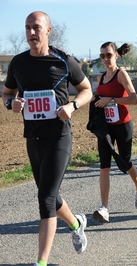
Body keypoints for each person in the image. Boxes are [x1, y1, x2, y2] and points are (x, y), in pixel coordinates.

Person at [2, 11, 92, 266]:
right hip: (33, 137)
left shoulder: (64, 61)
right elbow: (7, 93)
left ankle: (40, 263)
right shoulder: (18, 64)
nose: (31, 33)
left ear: (48, 31)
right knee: (48, 194)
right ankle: (76, 224)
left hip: (59, 137)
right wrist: (11, 104)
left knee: (45, 199)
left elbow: (87, 89)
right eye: (28, 28)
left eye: (36, 28)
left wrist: (72, 107)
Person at [91, 42, 137, 223]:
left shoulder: (121, 74)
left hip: (123, 125)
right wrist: (96, 100)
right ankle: (104, 208)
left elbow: (134, 99)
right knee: (104, 166)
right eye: (102, 56)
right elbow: (100, 97)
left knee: (125, 161)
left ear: (116, 55)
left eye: (108, 55)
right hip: (105, 127)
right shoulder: (100, 78)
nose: (105, 59)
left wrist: (111, 99)